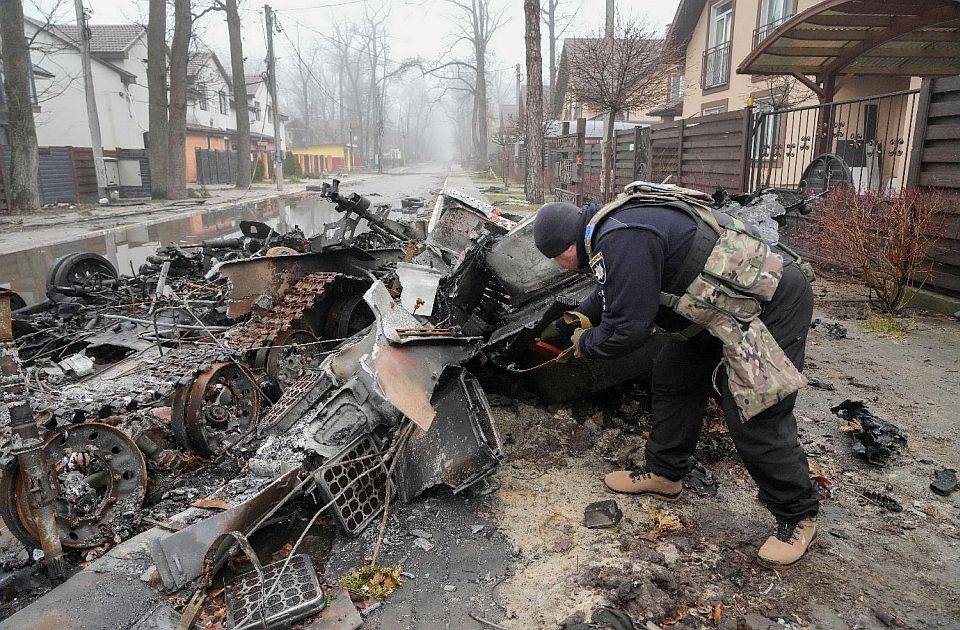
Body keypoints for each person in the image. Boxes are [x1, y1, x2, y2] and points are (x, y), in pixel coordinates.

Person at [532, 184, 820, 568]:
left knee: (754, 412)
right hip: (718, 310)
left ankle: (797, 514)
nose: (559, 266)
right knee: (673, 373)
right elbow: (612, 289)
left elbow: (627, 331)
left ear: (567, 247)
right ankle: (665, 474)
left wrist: (584, 344)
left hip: (769, 305)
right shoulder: (608, 228)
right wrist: (584, 315)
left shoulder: (620, 237)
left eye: (556, 259)